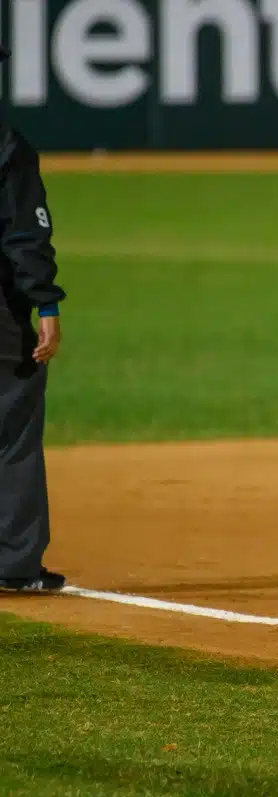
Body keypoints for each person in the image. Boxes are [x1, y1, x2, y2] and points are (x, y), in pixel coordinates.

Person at [0, 43, 68, 594]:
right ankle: (15, 563)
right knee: (13, 434)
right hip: (2, 320)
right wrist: (44, 304)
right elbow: (25, 235)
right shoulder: (6, 146)